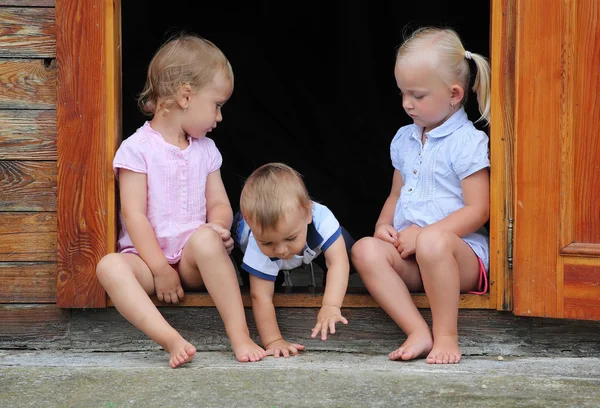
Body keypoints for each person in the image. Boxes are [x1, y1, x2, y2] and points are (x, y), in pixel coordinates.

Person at [95, 33, 266, 368]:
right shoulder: (137, 149)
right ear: (186, 95)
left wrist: (218, 229)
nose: (219, 118)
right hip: (147, 262)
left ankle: (240, 335)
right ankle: (170, 338)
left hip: (192, 260)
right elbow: (134, 215)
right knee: (108, 266)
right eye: (217, 105)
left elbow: (218, 203)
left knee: (204, 238)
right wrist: (159, 269)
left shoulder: (205, 150)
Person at [351, 27, 491, 364]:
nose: (406, 103)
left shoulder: (466, 142)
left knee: (432, 243)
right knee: (364, 250)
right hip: (412, 255)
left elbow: (479, 209)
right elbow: (395, 194)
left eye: (417, 95)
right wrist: (385, 224)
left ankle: (446, 336)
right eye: (402, 93)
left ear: (455, 94)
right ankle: (417, 330)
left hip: (458, 257)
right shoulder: (404, 138)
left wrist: (428, 234)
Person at [233, 163, 353, 357]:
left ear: (308, 213)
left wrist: (330, 305)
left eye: (290, 238)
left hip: (312, 242)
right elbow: (260, 297)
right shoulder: (256, 241)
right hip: (247, 243)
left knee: (345, 250)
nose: (281, 250)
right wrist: (273, 341)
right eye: (269, 242)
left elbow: (338, 262)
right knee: (259, 281)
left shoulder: (321, 219)